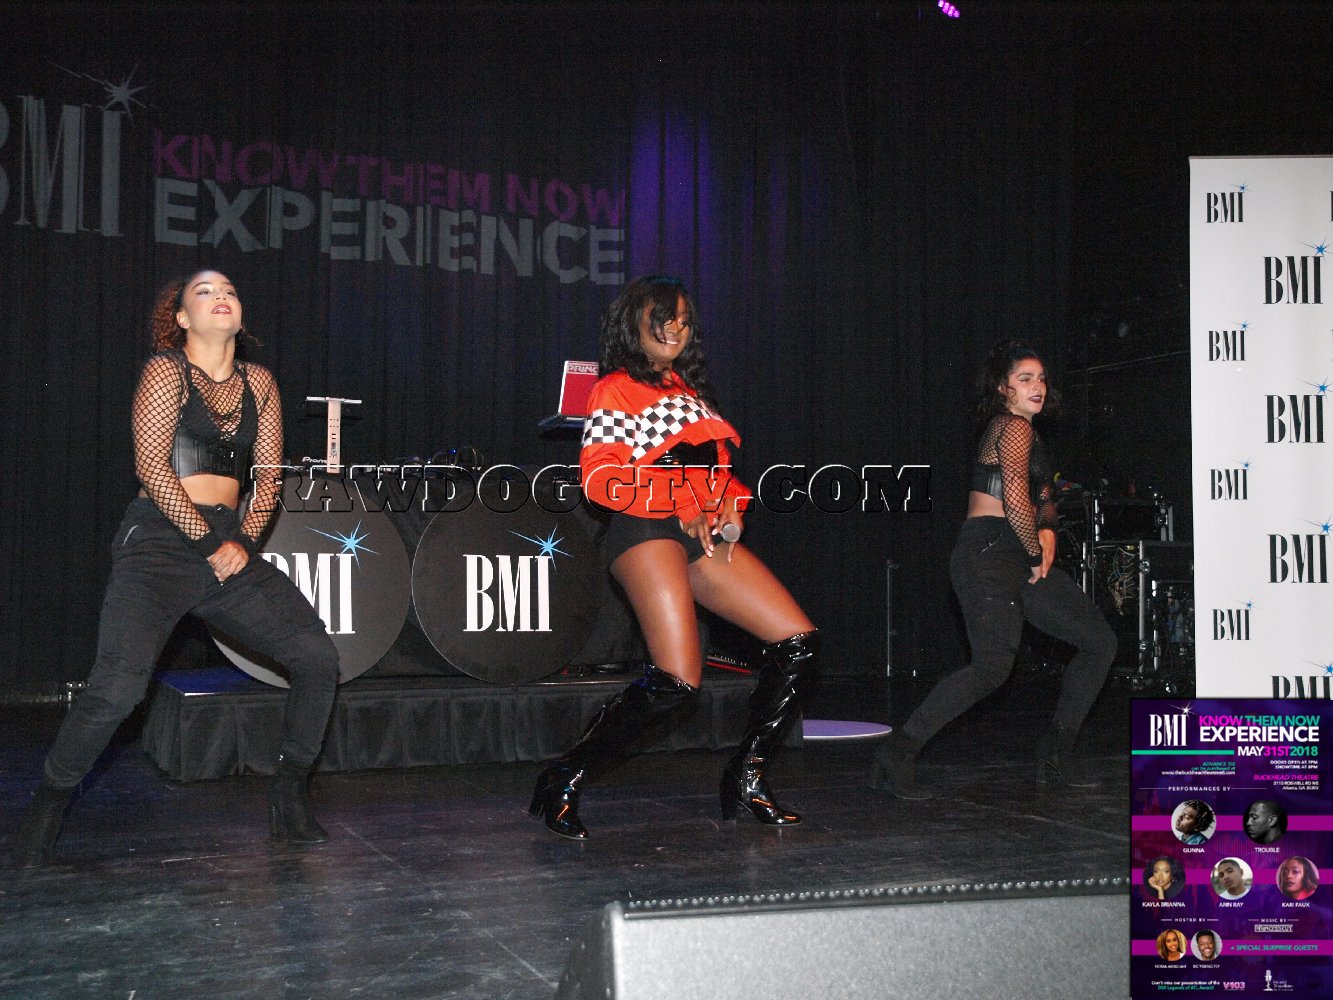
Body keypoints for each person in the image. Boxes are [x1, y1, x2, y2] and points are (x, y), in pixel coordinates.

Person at [11, 270, 340, 867]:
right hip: (159, 542)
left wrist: (241, 540)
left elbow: (269, 476)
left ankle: (289, 792)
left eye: (230, 291)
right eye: (204, 292)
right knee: (118, 688)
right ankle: (49, 801)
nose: (221, 297)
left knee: (317, 657)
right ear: (183, 318)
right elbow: (152, 468)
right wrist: (210, 543)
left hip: (227, 543)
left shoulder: (260, 383)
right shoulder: (167, 371)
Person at [529, 275, 817, 839]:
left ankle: (747, 776)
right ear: (634, 324)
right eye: (662, 317)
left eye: (684, 320)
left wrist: (731, 508)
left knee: (798, 642)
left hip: (697, 531)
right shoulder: (615, 389)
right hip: (643, 525)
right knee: (678, 680)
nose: (674, 328)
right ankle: (565, 775)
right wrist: (679, 505)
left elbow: (718, 478)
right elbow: (601, 483)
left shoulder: (690, 394)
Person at [869, 341, 1117, 798]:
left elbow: (1044, 497)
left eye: (1041, 378)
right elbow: (1016, 494)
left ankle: (1057, 749)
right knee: (991, 668)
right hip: (989, 551)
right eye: (1025, 379)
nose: (1037, 386)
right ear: (1003, 388)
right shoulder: (1011, 426)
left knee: (1098, 641)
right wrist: (1034, 551)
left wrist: (1048, 532)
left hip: (1015, 549)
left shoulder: (1030, 434)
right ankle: (897, 751)